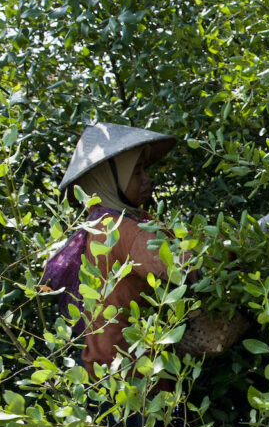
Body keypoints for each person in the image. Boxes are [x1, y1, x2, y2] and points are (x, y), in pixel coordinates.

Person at [42, 122, 181, 383]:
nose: (146, 179)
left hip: (106, 377)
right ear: (110, 181)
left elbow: (177, 241)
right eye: (136, 172)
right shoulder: (118, 229)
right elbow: (182, 263)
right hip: (130, 384)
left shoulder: (107, 222)